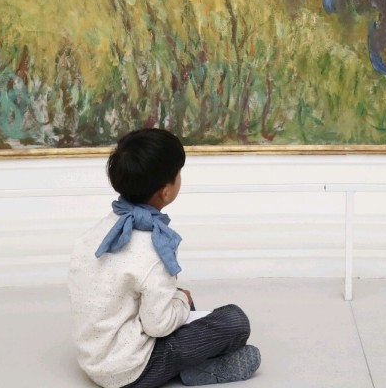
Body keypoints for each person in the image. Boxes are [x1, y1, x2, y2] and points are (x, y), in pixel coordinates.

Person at [69, 128, 261, 388]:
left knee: (170, 299)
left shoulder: (95, 234)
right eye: (178, 173)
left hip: (93, 360)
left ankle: (190, 361)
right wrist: (182, 300)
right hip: (130, 372)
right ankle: (194, 370)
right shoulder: (153, 248)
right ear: (166, 192)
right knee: (235, 321)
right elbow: (157, 326)